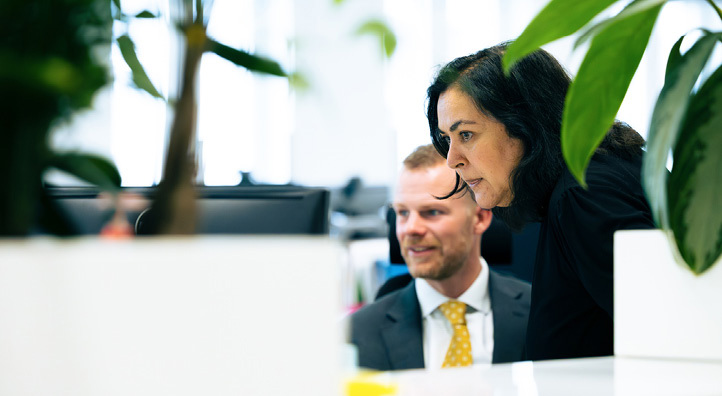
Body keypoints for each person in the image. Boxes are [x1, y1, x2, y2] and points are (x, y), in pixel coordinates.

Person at [426, 42, 655, 361]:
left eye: (466, 135)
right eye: (447, 139)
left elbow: (668, 337)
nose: (452, 160)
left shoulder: (585, 194)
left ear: (525, 123)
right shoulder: (595, 174)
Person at [350, 144, 531, 370]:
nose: (411, 229)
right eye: (403, 213)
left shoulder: (537, 314)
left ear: (480, 219)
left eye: (432, 212)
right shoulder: (358, 333)